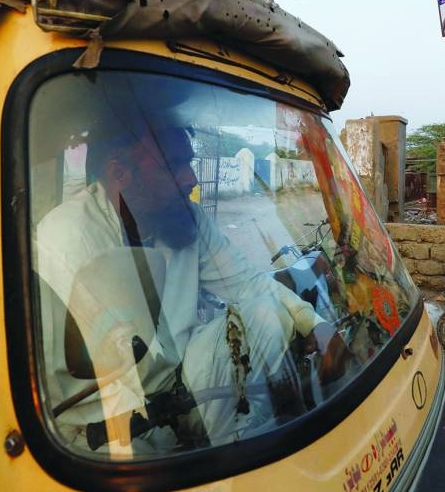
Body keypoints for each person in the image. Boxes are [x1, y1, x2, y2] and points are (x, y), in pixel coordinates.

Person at [35, 118, 346, 451]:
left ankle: (257, 448)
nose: (191, 179)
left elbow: (247, 284)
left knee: (266, 315)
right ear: (119, 174)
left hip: (184, 384)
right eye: (174, 167)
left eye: (189, 163)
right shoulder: (69, 237)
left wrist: (316, 324)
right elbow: (91, 382)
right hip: (103, 426)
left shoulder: (186, 219)